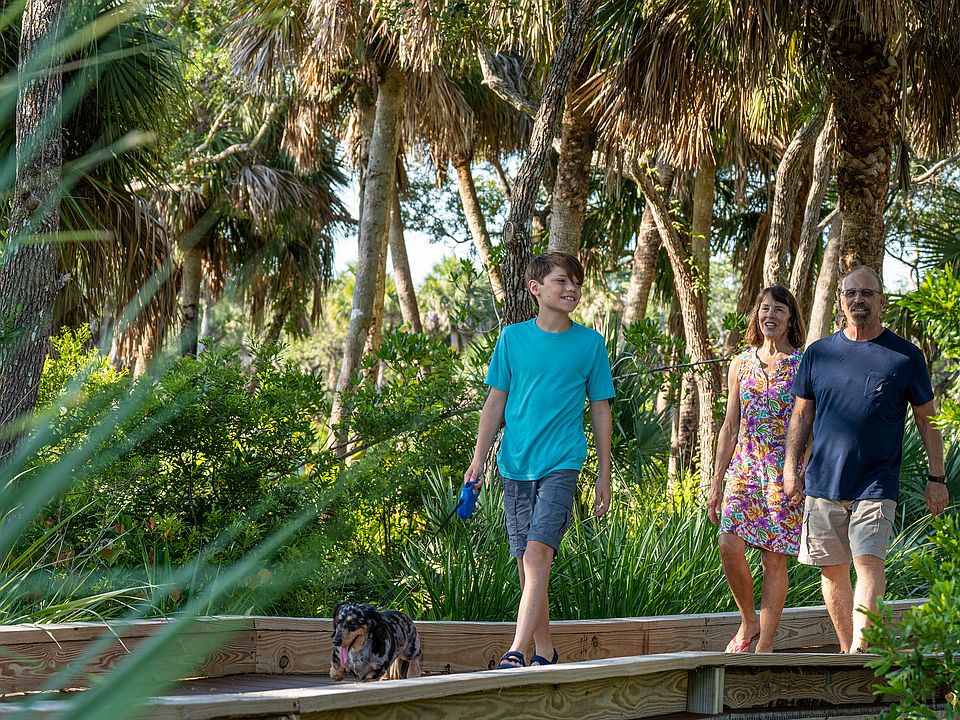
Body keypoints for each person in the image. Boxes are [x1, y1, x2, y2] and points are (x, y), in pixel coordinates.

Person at [783, 265, 949, 654]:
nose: (858, 299)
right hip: (824, 480)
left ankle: (862, 643)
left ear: (881, 300)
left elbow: (928, 419)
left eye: (867, 293)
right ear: (841, 301)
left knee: (869, 560)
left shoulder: (904, 357)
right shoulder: (819, 353)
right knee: (832, 568)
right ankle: (849, 652)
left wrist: (936, 477)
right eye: (850, 293)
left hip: (877, 481)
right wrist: (791, 467)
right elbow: (801, 414)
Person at [464, 251, 614, 669]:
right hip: (513, 464)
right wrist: (479, 459)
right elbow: (495, 401)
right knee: (528, 565)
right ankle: (545, 651)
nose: (571, 289)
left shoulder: (590, 344)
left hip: (562, 462)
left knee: (536, 556)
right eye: (562, 281)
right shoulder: (512, 339)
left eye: (576, 283)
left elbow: (601, 410)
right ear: (536, 289)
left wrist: (603, 475)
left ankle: (516, 651)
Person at [707, 285, 806, 653]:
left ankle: (764, 643)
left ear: (791, 319)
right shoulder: (741, 363)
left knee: (773, 558)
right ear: (756, 315)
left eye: (780, 310)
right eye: (765, 308)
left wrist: (801, 466)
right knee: (728, 543)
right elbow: (730, 425)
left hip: (784, 471)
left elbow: (809, 420)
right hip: (745, 467)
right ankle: (748, 619)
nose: (771, 316)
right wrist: (716, 483)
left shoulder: (803, 364)